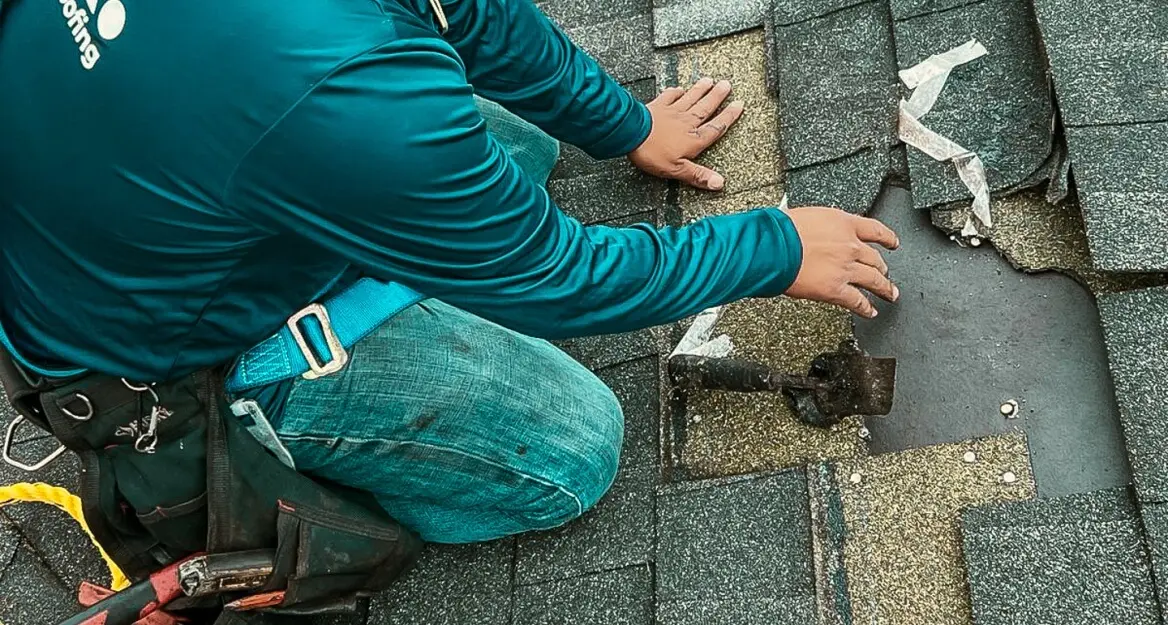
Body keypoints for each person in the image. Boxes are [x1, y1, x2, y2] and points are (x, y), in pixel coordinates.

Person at [0, 0, 899, 544]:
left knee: (514, 144)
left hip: (151, 180)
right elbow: (556, 281)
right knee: (571, 452)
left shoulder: (335, 79)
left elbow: (467, 15)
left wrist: (624, 126)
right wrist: (770, 247)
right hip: (157, 371)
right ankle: (282, 462)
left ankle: (392, 226)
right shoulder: (345, 99)